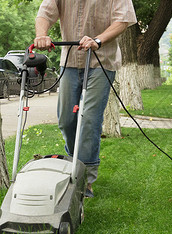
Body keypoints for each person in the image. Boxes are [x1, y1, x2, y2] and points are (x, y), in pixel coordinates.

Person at [34, 0, 137, 198]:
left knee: (89, 119)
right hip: (70, 61)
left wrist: (98, 40)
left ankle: (85, 180)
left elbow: (122, 20)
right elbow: (45, 13)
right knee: (66, 120)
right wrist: (42, 35)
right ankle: (75, 166)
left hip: (101, 60)